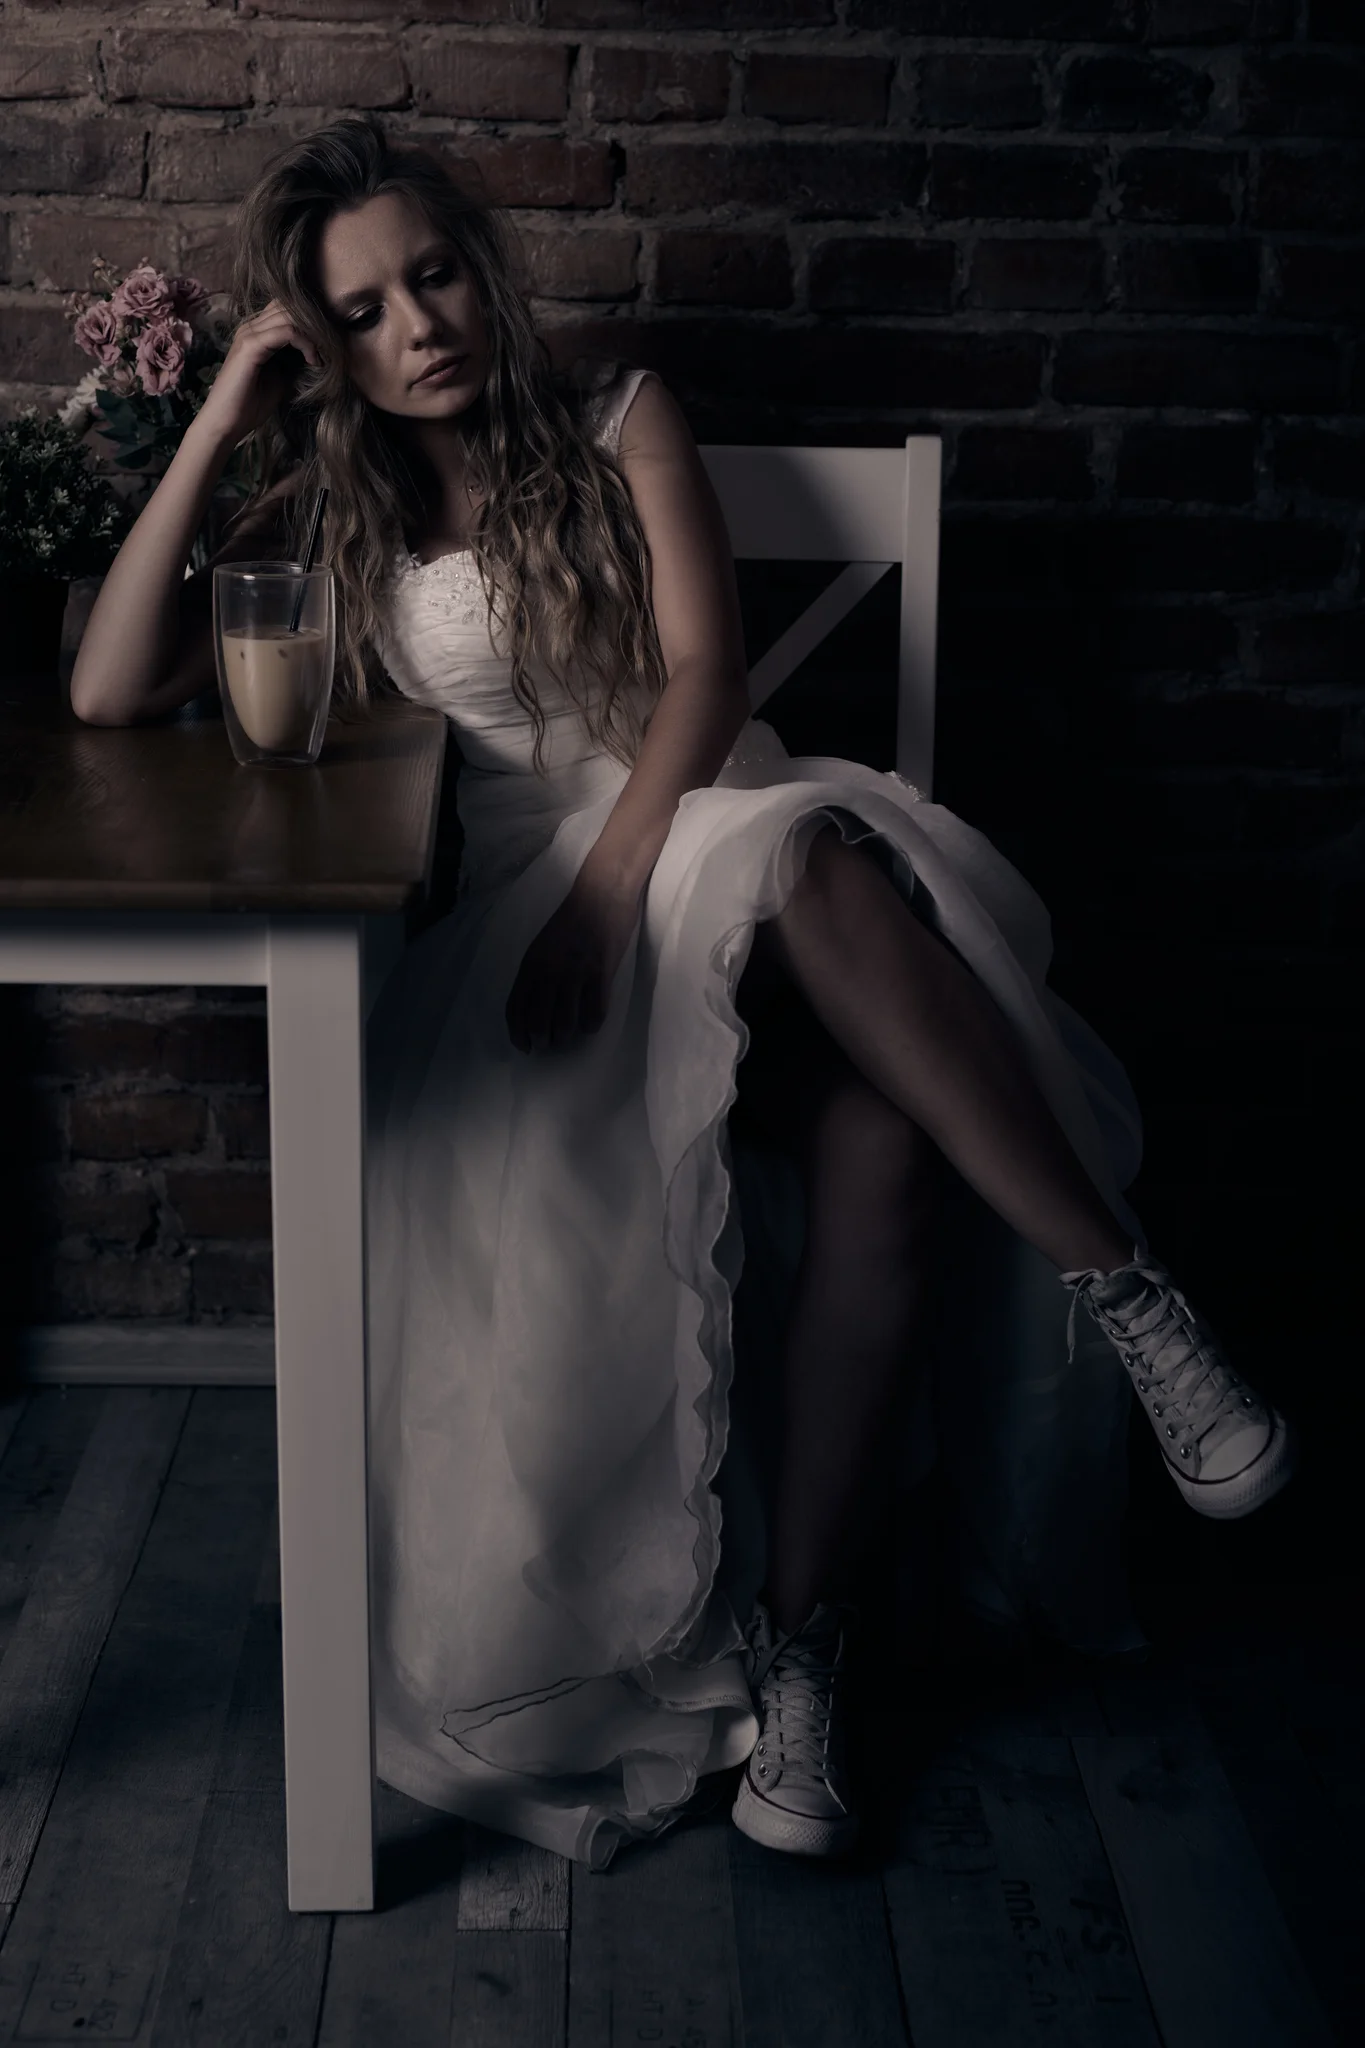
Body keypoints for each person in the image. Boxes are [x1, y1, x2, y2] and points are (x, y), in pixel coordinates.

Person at [70, 119, 1295, 1870]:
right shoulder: (327, 504)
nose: (418, 324)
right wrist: (217, 420)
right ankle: (804, 1642)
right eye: (359, 311)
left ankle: (1113, 1318)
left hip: (697, 829)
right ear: (321, 346)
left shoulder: (617, 415)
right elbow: (117, 690)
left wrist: (614, 889)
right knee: (871, 1138)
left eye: (430, 274)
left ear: (476, 263)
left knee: (804, 864)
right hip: (510, 925)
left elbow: (709, 677)